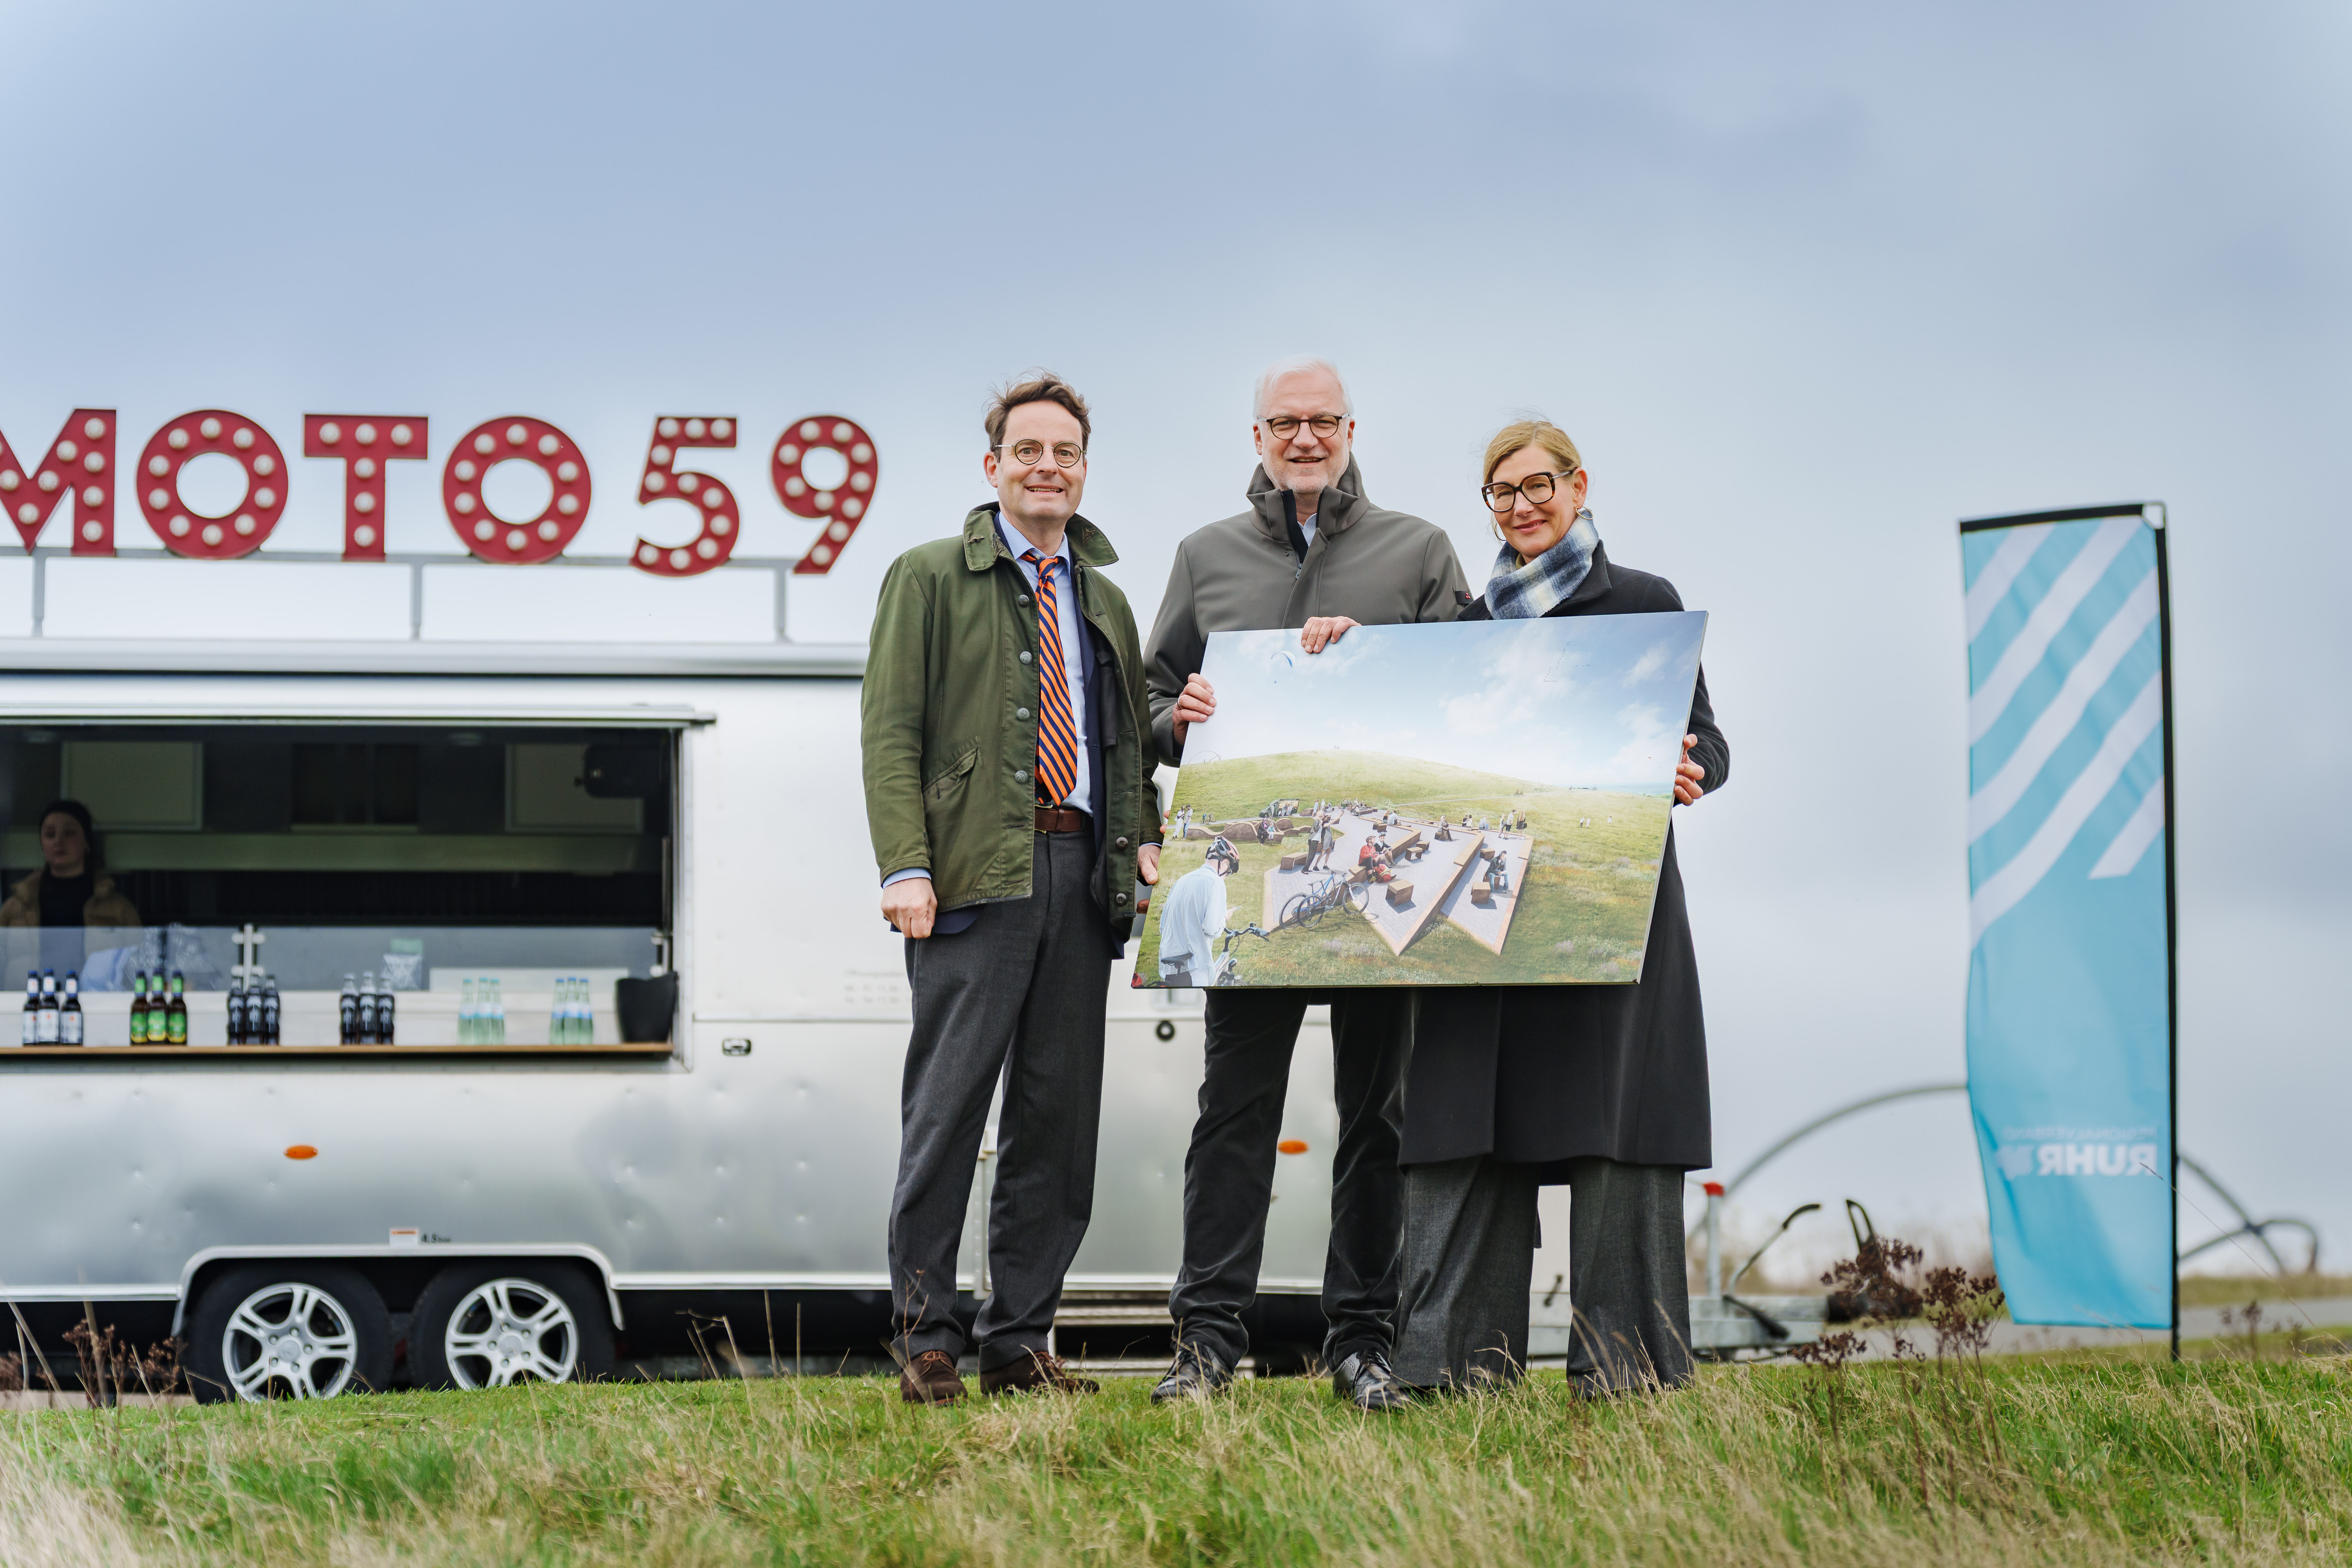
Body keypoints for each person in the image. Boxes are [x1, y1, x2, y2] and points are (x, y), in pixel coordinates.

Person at [1144, 356, 1467, 1411]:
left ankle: (1363, 1345)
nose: (1305, 437)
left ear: (1351, 430)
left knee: (1380, 1121)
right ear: (1257, 436)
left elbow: (1468, 688)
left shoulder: (1420, 549)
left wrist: (1382, 660)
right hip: (1253, 885)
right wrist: (1178, 716)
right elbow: (1148, 699)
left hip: (1381, 876)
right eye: (1284, 422)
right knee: (1232, 1115)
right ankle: (1205, 1347)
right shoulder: (1206, 556)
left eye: (1323, 420)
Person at [1394, 419, 1726, 1397]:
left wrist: (1689, 767)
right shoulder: (1460, 630)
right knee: (1470, 1118)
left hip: (1609, 906)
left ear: (1579, 487)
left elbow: (1709, 741)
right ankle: (1456, 1370)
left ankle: (1624, 1367)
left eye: (1539, 484)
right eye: (1502, 492)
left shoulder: (1644, 605)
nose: (1522, 505)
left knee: (1615, 1121)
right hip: (1480, 917)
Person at [862, 372, 1165, 1405]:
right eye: (1028, 451)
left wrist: (1145, 842)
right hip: (970, 881)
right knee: (947, 1115)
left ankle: (1020, 1340)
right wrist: (906, 865)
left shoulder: (1106, 598)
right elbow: (890, 732)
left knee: (1056, 1125)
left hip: (1081, 879)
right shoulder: (927, 577)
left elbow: (1126, 748)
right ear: (993, 466)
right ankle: (926, 1338)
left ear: (1083, 470)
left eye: (1065, 453)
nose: (1048, 467)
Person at [0, 799, 141, 974]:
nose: (58, 841)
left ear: (87, 842)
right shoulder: (17, 906)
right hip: (27, 993)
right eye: (50, 835)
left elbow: (137, 967)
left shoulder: (119, 909)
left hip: (94, 993)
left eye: (69, 833)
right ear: (42, 844)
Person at [1158, 838, 1240, 987]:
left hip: (1168, 967)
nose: (1226, 876)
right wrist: (1225, 918)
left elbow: (1163, 926)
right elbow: (1211, 929)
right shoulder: (1216, 882)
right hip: (1193, 969)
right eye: (1228, 872)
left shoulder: (1182, 880)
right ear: (1223, 864)